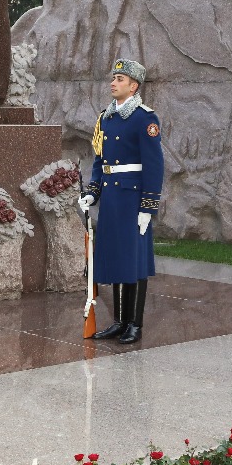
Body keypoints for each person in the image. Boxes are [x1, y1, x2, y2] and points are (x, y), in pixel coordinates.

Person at [78, 58, 164, 344]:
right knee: (116, 258)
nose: (113, 83)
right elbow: (100, 161)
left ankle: (134, 324)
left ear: (133, 85)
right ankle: (118, 321)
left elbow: (154, 166)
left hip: (133, 199)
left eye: (119, 79)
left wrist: (147, 207)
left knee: (134, 261)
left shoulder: (144, 118)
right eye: (113, 78)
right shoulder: (106, 118)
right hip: (112, 200)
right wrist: (93, 191)